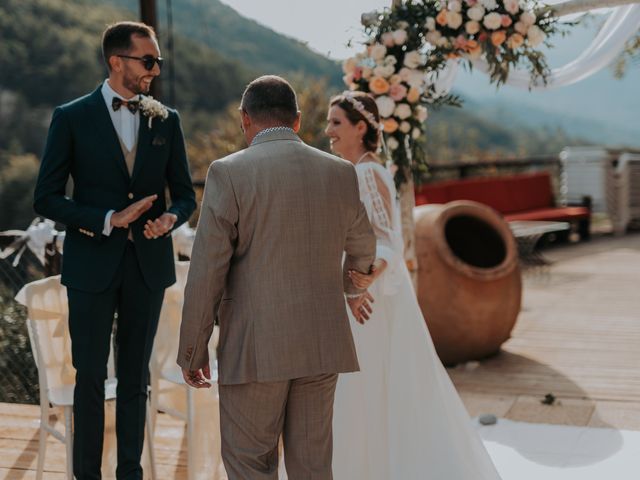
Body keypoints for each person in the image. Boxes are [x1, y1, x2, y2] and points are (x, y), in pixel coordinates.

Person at [177, 75, 376, 480]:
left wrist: (193, 349)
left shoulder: (228, 172)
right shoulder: (340, 172)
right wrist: (352, 287)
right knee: (312, 468)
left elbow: (207, 270)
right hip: (322, 343)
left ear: (244, 119)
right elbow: (363, 247)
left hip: (254, 349)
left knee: (251, 464)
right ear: (298, 121)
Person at [33, 21, 196, 479]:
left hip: (147, 266)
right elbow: (45, 197)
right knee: (88, 379)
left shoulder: (167, 120)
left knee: (135, 378)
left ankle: (130, 473)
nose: (155, 70)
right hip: (90, 265)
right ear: (116, 61)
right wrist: (107, 220)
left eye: (158, 61)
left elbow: (185, 194)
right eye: (148, 61)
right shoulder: (71, 117)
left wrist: (170, 218)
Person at [324, 91, 502, 480]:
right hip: (362, 288)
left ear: (360, 127)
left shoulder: (366, 172)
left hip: (368, 294)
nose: (328, 131)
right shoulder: (363, 169)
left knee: (364, 389)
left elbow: (388, 239)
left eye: (336, 122)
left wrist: (370, 274)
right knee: (364, 390)